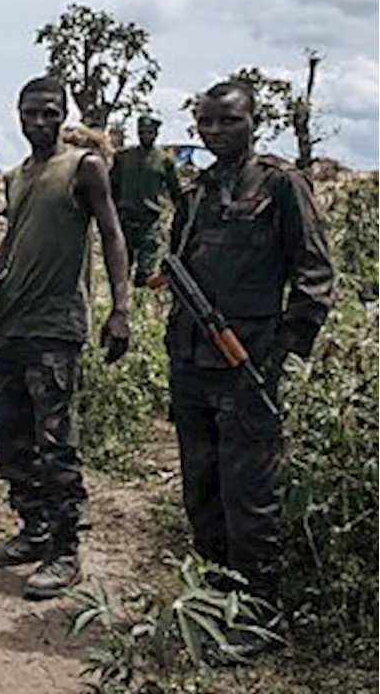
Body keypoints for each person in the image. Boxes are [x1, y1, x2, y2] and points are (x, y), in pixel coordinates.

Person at [166, 81, 334, 660]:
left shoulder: (282, 184)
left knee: (250, 497)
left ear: (252, 123)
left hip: (247, 364)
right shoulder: (197, 192)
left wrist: (281, 349)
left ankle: (258, 617)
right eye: (206, 124)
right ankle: (216, 603)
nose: (215, 134)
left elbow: (314, 275)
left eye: (227, 123)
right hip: (192, 361)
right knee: (201, 488)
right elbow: (176, 265)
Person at [0, 75, 131, 600]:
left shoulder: (83, 168)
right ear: (16, 114)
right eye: (30, 113)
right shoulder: (18, 176)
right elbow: (13, 241)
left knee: (56, 443)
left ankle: (65, 552)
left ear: (62, 115)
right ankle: (33, 529)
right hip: (12, 324)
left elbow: (111, 234)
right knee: (8, 435)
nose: (39, 122)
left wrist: (120, 309)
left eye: (49, 113)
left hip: (56, 328)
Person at [110, 114, 184, 287]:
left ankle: (141, 303)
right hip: (125, 217)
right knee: (120, 266)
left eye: (150, 132)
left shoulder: (164, 160)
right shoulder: (123, 157)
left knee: (146, 269)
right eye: (142, 132)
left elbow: (176, 191)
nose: (145, 135)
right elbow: (112, 185)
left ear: (156, 134)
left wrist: (180, 216)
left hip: (150, 219)